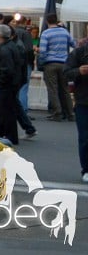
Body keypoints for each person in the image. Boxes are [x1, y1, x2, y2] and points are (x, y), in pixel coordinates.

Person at [39, 13, 75, 122]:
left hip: (50, 63)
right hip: (64, 63)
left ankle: (57, 112)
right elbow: (74, 44)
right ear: (56, 20)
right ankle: (70, 113)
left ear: (47, 21)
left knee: (52, 89)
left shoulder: (46, 33)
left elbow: (43, 51)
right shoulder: (65, 32)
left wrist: (42, 62)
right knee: (65, 89)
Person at [0, 23, 25, 145]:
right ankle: (3, 135)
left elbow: (7, 69)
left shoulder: (4, 49)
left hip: (6, 85)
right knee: (6, 111)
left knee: (4, 111)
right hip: (13, 83)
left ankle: (4, 135)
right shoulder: (12, 46)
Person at [63, 40, 88, 183]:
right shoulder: (79, 53)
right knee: (85, 138)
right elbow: (66, 73)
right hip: (83, 101)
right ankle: (86, 169)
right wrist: (79, 71)